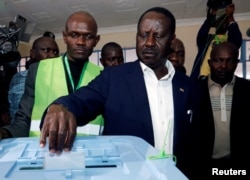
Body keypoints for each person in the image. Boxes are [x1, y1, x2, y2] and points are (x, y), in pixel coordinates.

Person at [39, 7, 200, 178]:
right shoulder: (113, 78)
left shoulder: (191, 88)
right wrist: (61, 107)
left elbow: (200, 146)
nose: (150, 42)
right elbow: (82, 100)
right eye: (143, 35)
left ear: (172, 40)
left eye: (158, 36)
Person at [0, 11, 103, 138]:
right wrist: (4, 133)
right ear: (65, 37)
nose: (81, 42)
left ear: (96, 40)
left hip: (90, 154)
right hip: (43, 153)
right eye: (74, 35)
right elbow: (23, 122)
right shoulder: (38, 70)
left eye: (88, 36)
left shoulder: (103, 75)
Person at [192, 42, 250, 178]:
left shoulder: (247, 89)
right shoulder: (195, 90)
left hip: (239, 165)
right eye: (218, 60)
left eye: (229, 61)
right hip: (204, 166)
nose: (223, 66)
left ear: (236, 63)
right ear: (209, 62)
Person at [8, 36, 59, 122]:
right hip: (25, 132)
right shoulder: (23, 77)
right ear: (33, 53)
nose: (52, 55)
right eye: (46, 50)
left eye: (55, 51)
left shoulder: (57, 77)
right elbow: (22, 115)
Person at [190, 1, 242, 79]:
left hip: (218, 81)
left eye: (224, 20)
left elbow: (237, 40)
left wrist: (230, 17)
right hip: (201, 79)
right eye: (219, 20)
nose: (221, 22)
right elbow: (201, 36)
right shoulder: (208, 39)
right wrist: (210, 17)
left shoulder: (229, 43)